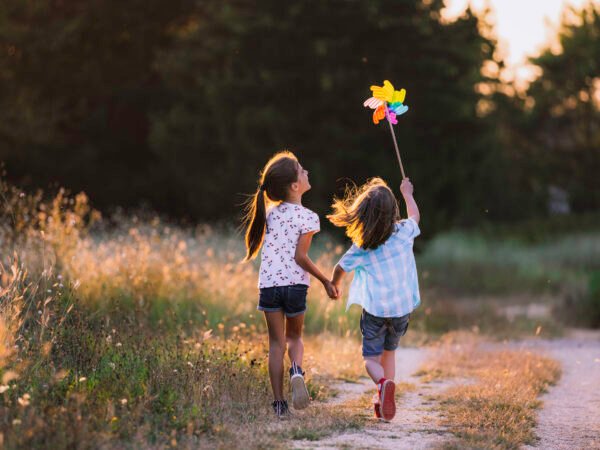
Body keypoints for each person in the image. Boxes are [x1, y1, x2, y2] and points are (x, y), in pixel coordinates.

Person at [243, 151, 338, 418]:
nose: (307, 172)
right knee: (294, 337)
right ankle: (297, 370)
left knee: (276, 344)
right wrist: (325, 280)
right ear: (295, 186)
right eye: (302, 170)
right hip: (295, 285)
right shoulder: (308, 217)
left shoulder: (269, 214)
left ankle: (278, 404)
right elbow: (300, 257)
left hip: (270, 285)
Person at [328, 177, 421, 421]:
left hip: (376, 312)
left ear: (364, 214)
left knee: (370, 359)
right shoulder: (404, 232)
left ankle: (381, 384)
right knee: (389, 353)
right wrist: (407, 193)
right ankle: (385, 394)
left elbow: (340, 267)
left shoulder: (363, 246)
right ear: (393, 212)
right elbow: (415, 217)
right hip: (401, 310)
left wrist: (334, 286)